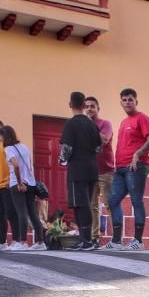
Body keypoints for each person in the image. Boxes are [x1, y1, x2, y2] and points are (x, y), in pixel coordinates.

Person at [107, 88, 149, 251]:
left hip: (136, 166)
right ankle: (116, 241)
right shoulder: (123, 122)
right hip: (120, 168)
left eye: (130, 99)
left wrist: (137, 154)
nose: (127, 102)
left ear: (136, 101)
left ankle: (138, 240)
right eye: (124, 100)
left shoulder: (141, 118)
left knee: (136, 201)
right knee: (113, 201)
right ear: (121, 102)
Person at [59, 91, 102, 251]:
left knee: (80, 205)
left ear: (70, 105)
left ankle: (87, 241)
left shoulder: (71, 124)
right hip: (92, 168)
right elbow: (99, 146)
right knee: (83, 204)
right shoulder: (92, 124)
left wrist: (62, 160)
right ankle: (85, 239)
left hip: (77, 169)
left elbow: (66, 148)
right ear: (84, 105)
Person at [1, 125, 46, 251]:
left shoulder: (8, 148)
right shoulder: (24, 147)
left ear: (4, 136)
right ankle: (40, 242)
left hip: (18, 184)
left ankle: (23, 242)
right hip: (30, 184)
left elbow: (15, 165)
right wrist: (26, 181)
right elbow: (29, 166)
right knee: (33, 214)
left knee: (21, 213)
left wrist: (19, 183)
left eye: (1, 136)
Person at [84, 96, 115, 249]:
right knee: (92, 206)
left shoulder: (105, 124)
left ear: (98, 108)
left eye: (92, 106)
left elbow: (104, 139)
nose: (89, 109)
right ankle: (95, 238)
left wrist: (90, 128)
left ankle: (116, 239)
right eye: (87, 106)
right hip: (89, 172)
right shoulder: (83, 126)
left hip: (106, 171)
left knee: (110, 204)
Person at [0, 119, 20, 251]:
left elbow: (15, 163)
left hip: (7, 185)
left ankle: (17, 241)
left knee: (11, 214)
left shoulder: (9, 144)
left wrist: (10, 180)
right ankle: (2, 242)